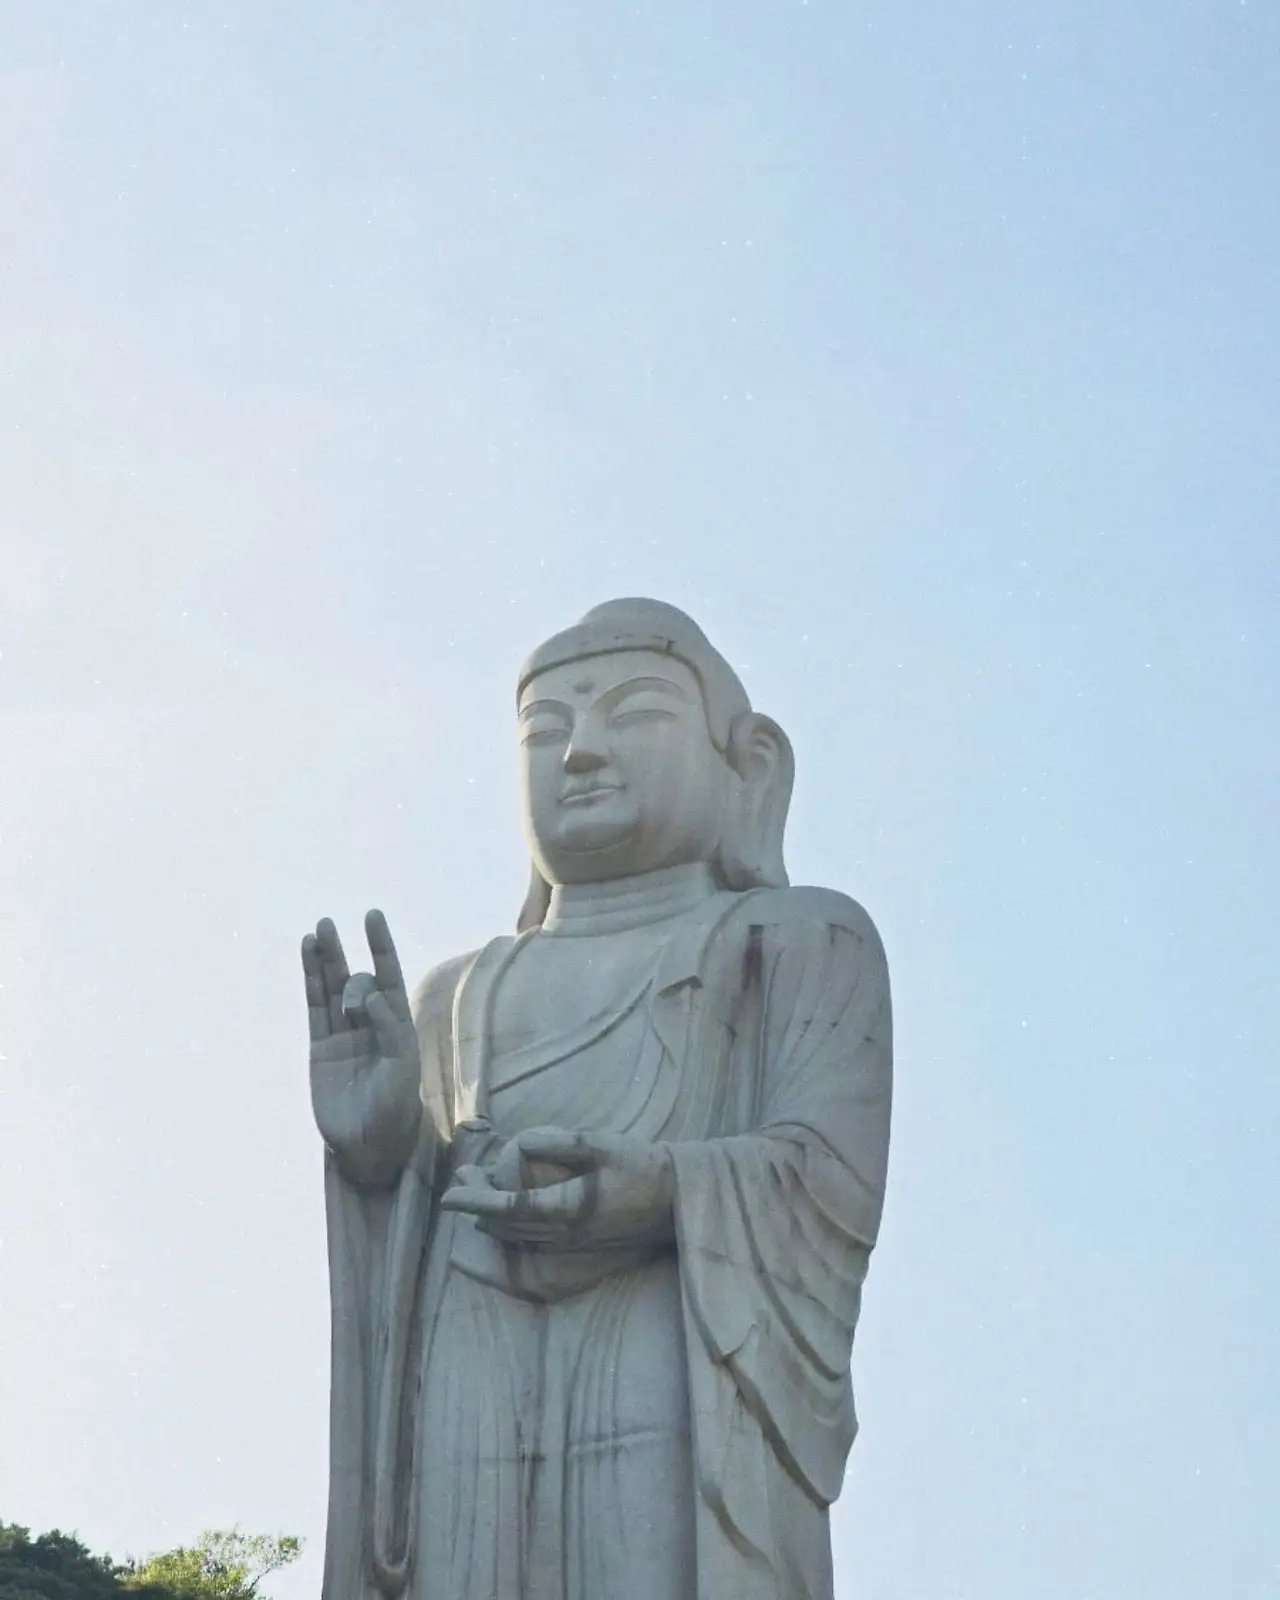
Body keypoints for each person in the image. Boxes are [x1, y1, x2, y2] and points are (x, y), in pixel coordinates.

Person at [305, 598, 892, 1600]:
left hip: (672, 1330)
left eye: (637, 712)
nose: (580, 753)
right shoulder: (456, 992)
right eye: (545, 730)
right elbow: (409, 1235)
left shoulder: (800, 939)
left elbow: (830, 1182)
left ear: (748, 766)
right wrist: (382, 1149)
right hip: (469, 1347)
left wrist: (659, 1190)